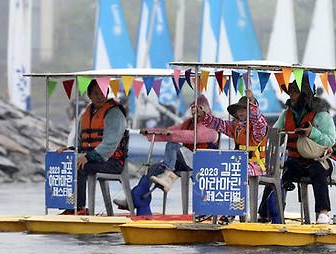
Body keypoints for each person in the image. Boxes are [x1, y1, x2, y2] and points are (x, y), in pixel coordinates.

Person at [113, 96, 219, 212]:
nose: (196, 112)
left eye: (199, 109)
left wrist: (172, 134)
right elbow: (169, 131)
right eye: (194, 109)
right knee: (152, 169)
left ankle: (167, 177)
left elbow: (195, 136)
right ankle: (134, 200)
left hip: (202, 163)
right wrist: (153, 132)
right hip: (184, 161)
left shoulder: (211, 125)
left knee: (172, 144)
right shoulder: (189, 123)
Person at [56, 81, 129, 215]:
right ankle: (69, 206)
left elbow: (110, 143)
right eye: (95, 93)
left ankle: (79, 208)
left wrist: (88, 157)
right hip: (93, 159)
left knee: (80, 166)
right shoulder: (85, 114)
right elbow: (80, 143)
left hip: (112, 162)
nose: (100, 96)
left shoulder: (114, 113)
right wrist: (69, 149)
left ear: (107, 92)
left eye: (102, 92)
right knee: (66, 164)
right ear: (89, 95)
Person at [275, 81, 336, 224]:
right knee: (278, 173)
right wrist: (277, 134)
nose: (291, 94)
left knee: (318, 172)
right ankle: (265, 214)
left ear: (305, 94)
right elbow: (275, 132)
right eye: (290, 91)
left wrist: (312, 133)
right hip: (295, 161)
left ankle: (323, 212)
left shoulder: (321, 114)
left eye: (295, 91)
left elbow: (330, 140)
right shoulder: (286, 114)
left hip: (318, 160)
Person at [196, 89, 269, 177]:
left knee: (232, 171)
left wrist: (252, 103)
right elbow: (219, 124)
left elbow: (257, 121)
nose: (241, 112)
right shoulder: (237, 126)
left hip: (255, 166)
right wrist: (203, 115)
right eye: (239, 109)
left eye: (244, 109)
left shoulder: (259, 127)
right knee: (214, 168)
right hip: (239, 161)